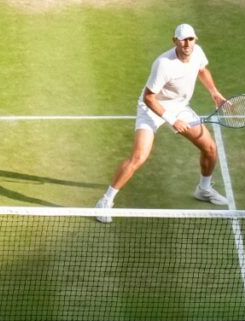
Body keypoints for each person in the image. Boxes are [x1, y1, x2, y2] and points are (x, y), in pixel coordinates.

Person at [94, 23, 228, 224]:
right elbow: (149, 97)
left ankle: (204, 189)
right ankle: (105, 201)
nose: (187, 43)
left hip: (180, 106)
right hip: (152, 108)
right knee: (139, 156)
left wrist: (214, 92)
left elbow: (203, 70)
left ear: (195, 40)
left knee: (209, 147)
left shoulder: (197, 52)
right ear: (174, 41)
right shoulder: (164, 64)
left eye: (190, 39)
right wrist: (172, 120)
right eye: (182, 39)